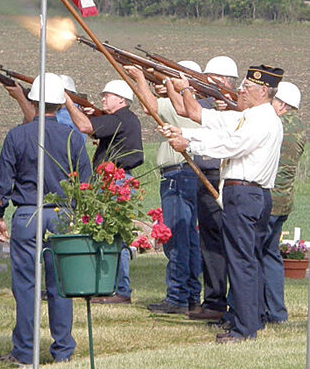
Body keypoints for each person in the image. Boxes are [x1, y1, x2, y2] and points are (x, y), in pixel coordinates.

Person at [161, 65, 284, 343]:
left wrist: (189, 145)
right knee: (247, 260)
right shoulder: (252, 116)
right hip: (249, 195)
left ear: (263, 91)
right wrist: (184, 133)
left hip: (244, 194)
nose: (241, 91)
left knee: (241, 261)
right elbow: (209, 122)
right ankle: (250, 318)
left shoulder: (261, 120)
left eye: (247, 88)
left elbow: (233, 145)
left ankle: (244, 327)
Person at [0, 73, 92, 366]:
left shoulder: (17, 135)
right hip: (62, 214)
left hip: (26, 213)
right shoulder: (73, 136)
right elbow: (84, 181)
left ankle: (25, 351)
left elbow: (4, 181)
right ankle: (63, 351)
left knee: (25, 285)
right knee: (61, 283)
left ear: (33, 101)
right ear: (61, 105)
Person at [124, 63, 203, 314]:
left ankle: (178, 296)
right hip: (187, 175)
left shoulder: (181, 106)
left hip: (177, 176)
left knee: (177, 238)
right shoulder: (198, 108)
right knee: (188, 238)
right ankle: (190, 294)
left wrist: (139, 78)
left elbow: (150, 106)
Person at [170, 55, 239, 322]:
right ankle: (214, 300)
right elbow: (184, 110)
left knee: (226, 244)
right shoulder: (212, 106)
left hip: (222, 177)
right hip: (206, 176)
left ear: (222, 81)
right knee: (210, 244)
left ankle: (228, 302)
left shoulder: (237, 110)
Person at [64, 79, 144, 304]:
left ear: (120, 99)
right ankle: (110, 286)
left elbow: (85, 127)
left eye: (106, 96)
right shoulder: (120, 119)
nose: (102, 99)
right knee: (110, 234)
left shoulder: (120, 118)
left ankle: (120, 289)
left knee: (115, 236)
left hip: (115, 182)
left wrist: (69, 103)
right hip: (113, 181)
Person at [262, 82, 306, 324]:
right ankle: (277, 312)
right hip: (284, 200)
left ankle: (255, 309)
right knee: (271, 255)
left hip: (267, 198)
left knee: (254, 255)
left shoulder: (276, 124)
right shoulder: (299, 127)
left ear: (281, 104)